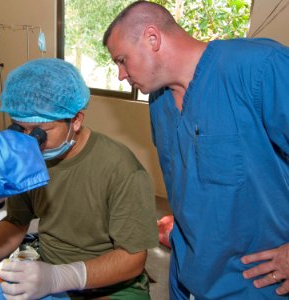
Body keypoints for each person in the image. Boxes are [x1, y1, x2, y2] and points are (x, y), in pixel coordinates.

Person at [103, 1, 289, 299]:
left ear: (153, 38)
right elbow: (193, 180)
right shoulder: (160, 102)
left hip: (254, 283)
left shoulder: (260, 67)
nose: (121, 75)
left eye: (122, 60)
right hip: (186, 277)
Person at [0, 58, 158, 299]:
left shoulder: (121, 169)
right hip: (44, 269)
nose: (30, 142)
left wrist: (61, 277)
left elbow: (132, 259)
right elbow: (17, 221)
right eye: (21, 128)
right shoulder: (25, 159)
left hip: (111, 282)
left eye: (42, 132)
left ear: (76, 120)